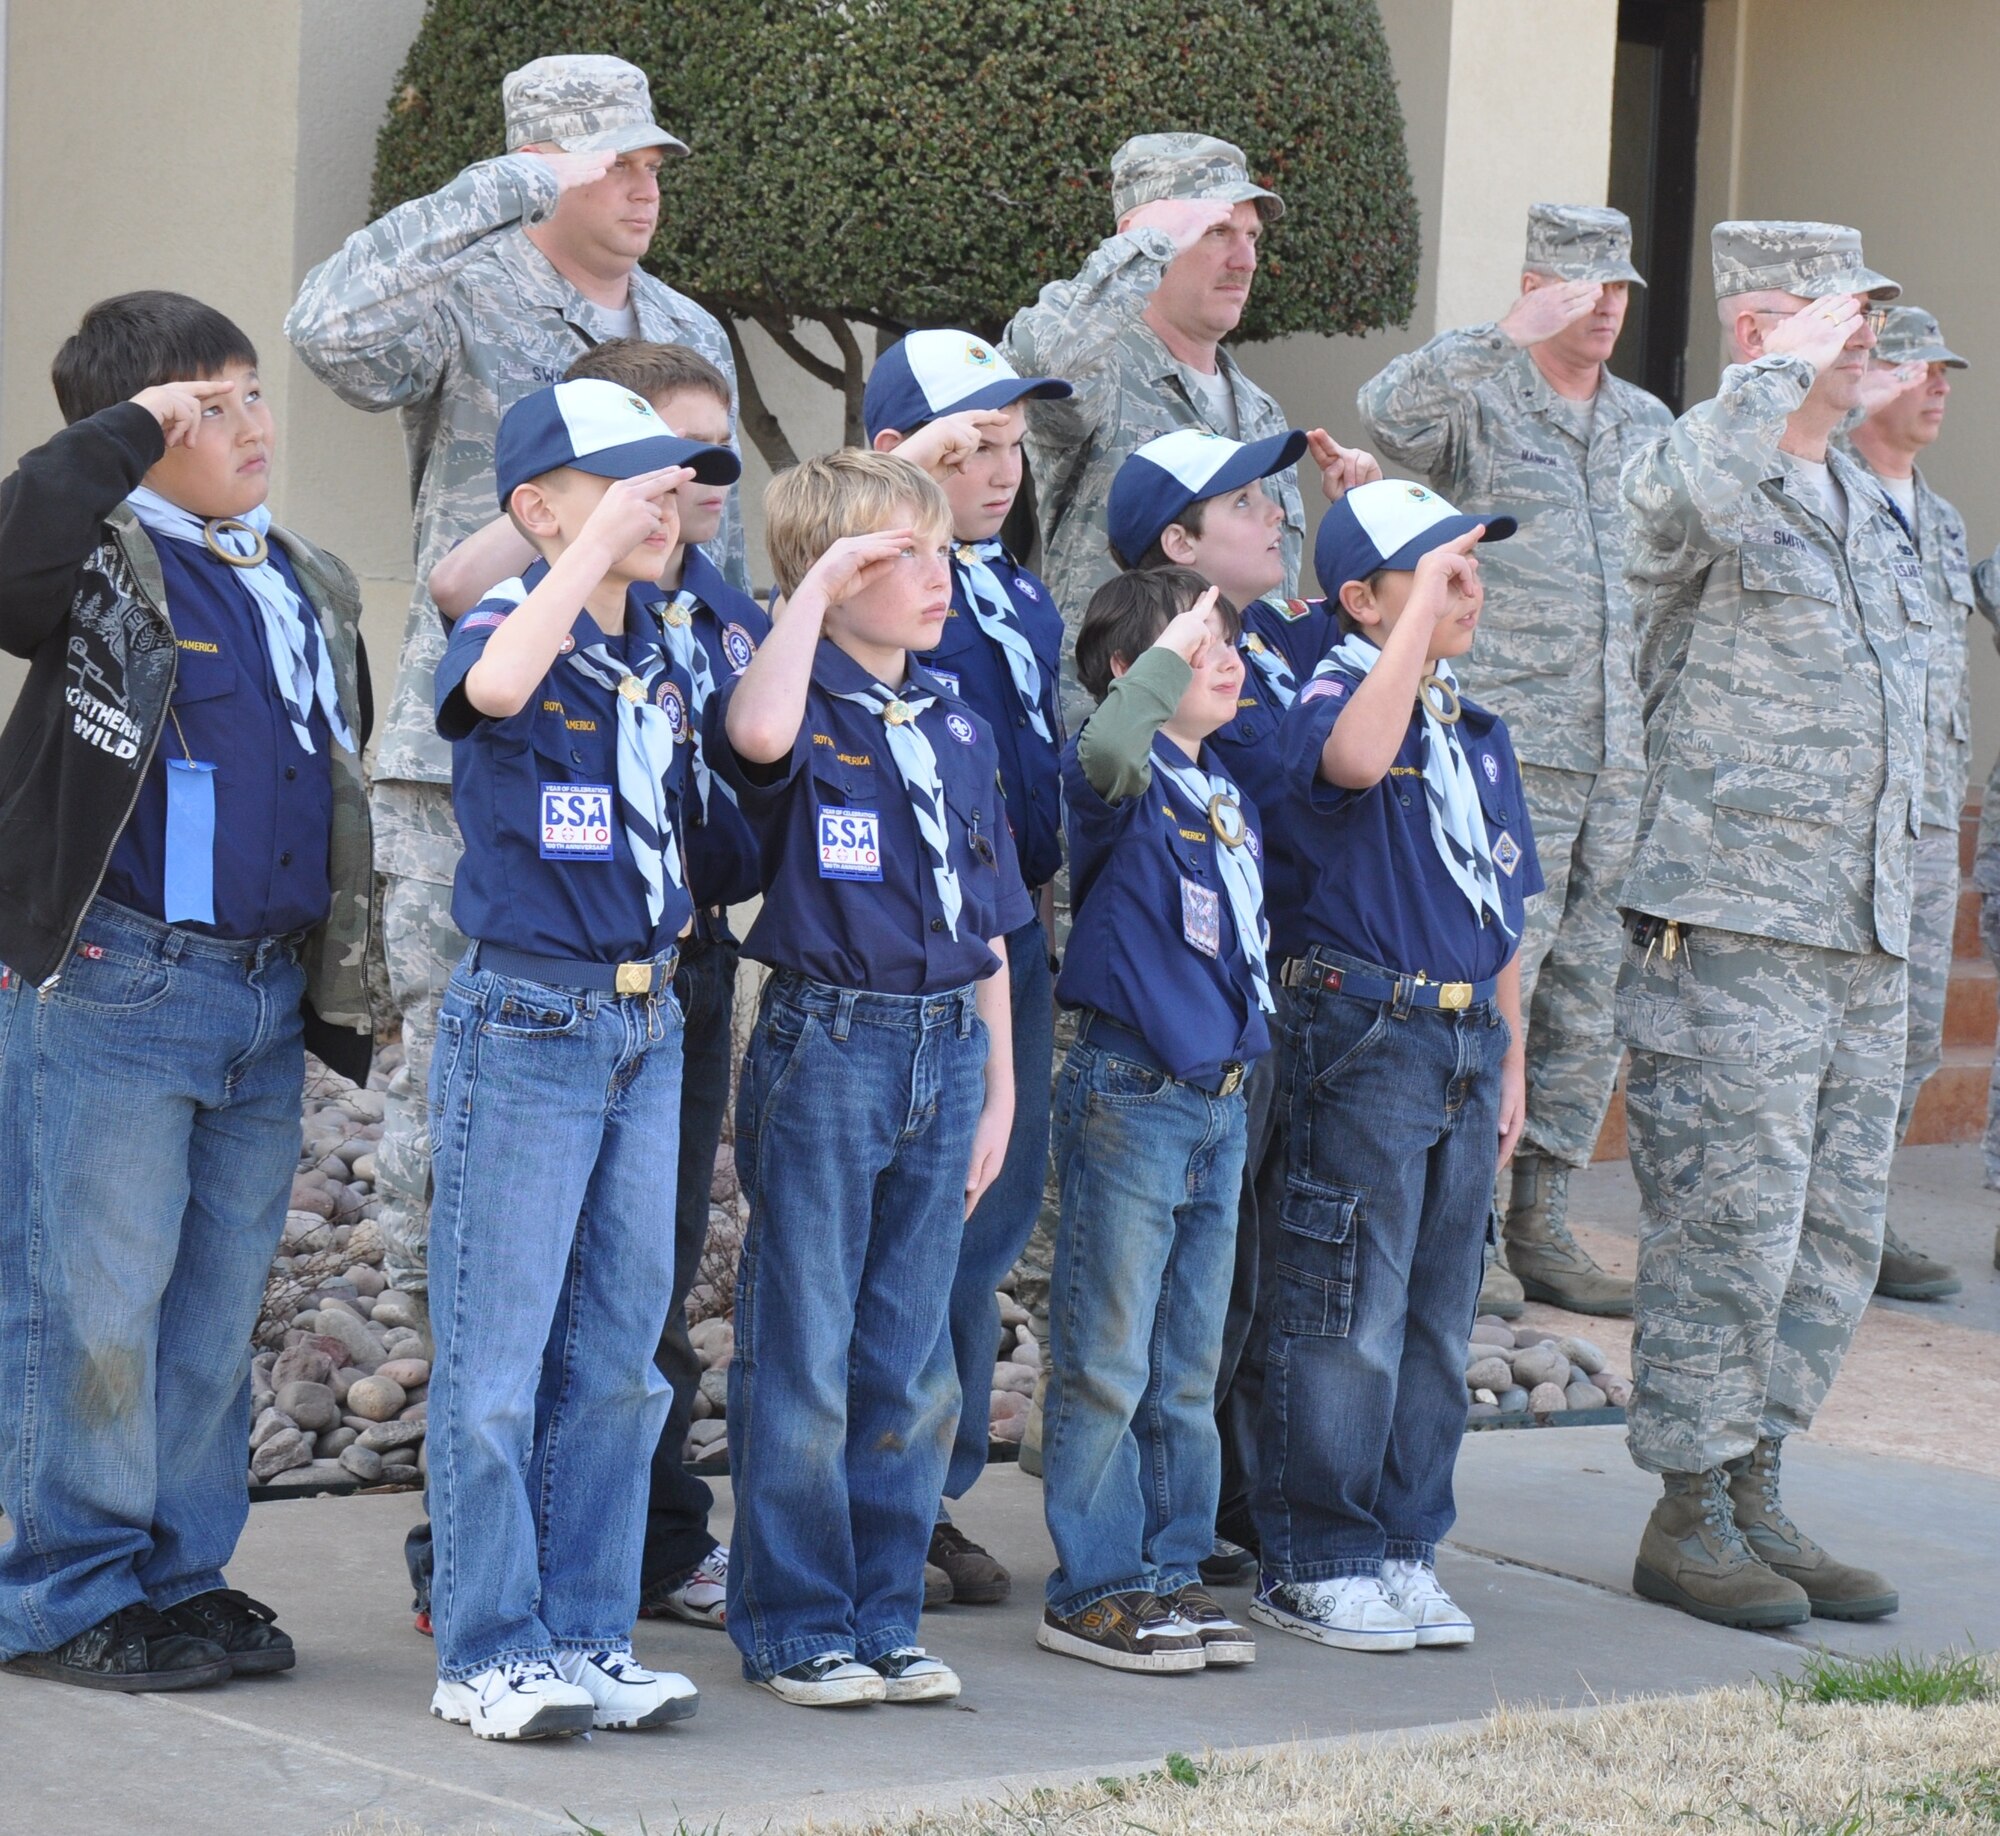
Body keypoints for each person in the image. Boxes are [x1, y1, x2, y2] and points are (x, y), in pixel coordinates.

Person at [285, 56, 746, 1416]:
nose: (643, 184)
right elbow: (327, 330)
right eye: (613, 161)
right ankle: (463, 1371)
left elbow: (696, 538)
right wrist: (495, 194)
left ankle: (589, 1420)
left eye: (654, 161)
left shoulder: (683, 328)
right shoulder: (471, 286)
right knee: (457, 1072)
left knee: (627, 1084)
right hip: (469, 745)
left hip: (629, 751)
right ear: (541, 164)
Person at [0, 292, 374, 1690]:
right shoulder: (98, 567)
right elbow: (6, 565)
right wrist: (121, 433)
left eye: (252, 395)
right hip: (116, 984)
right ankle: (62, 1591)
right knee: (87, 1302)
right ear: (138, 433)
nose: (253, 426)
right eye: (207, 408)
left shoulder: (301, 578)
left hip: (261, 995)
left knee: (216, 1313)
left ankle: (177, 1574)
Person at [427, 339, 761, 1630]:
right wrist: (585, 552)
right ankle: (491, 1643)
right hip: (530, 1017)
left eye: (670, 485)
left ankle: (587, 1633)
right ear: (537, 509)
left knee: (622, 1364)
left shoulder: (663, 659)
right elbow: (494, 683)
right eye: (620, 482)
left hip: (648, 1012)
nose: (657, 504)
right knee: (499, 1367)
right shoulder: (506, 624)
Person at [1617, 223, 1921, 1630]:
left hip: (1859, 933)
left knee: (1829, 1232)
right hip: (1732, 929)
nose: (1865, 337)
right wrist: (1770, 383)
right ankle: (1687, 1511)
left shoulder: (1864, 498)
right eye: (1830, 318)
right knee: (1728, 1229)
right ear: (1758, 336)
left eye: (1866, 315)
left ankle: (1756, 1483)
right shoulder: (1701, 467)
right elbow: (1676, 508)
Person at [710, 451, 1029, 1707]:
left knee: (909, 1351)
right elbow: (755, 736)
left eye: (939, 552)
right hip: (829, 1040)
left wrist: (1000, 1086)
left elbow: (992, 912)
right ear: (825, 575)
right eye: (900, 557)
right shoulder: (796, 693)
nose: (933, 578)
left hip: (946, 1041)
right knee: (803, 1342)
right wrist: (811, 593)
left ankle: (884, 1611)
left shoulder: (952, 715)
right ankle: (795, 1620)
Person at [1359, 204, 1673, 1319]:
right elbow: (1384, 413)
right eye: (1582, 287)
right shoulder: (1477, 396)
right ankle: (1472, 1223)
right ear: (1538, 284)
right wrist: (1501, 329)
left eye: (1619, 290)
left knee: (1592, 996)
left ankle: (1542, 1215)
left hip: (1620, 755)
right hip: (1508, 749)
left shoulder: (1645, 422)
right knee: (1502, 983)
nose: (1605, 308)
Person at [1251, 482, 1532, 1655]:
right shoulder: (1332, 694)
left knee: (1434, 1309)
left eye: (1465, 573)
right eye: (1429, 574)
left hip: (1466, 1034)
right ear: (1360, 601)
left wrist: (1510, 1053)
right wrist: (1404, 630)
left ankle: (1406, 1537)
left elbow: (1504, 903)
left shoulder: (1473, 729)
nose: (1459, 592)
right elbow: (1354, 764)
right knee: (1343, 1304)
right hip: (1365, 1033)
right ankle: (1316, 1551)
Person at [1104, 423, 1377, 1579]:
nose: (1278, 518)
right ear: (1179, 542)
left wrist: (1359, 505)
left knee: (1258, 1266)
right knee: (1163, 1299)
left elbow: (1375, 612)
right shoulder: (1168, 667)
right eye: (1245, 506)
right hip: (1197, 1015)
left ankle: (1224, 1494)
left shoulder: (1281, 638)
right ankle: (1152, 1521)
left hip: (1286, 997)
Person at [864, 330, 1072, 1606]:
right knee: (904, 1227)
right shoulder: (879, 585)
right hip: (905, 950)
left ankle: (927, 1489)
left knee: (983, 1222)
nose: (1001, 471)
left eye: (1011, 446)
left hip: (1011, 930)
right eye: (971, 447)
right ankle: (873, 1493)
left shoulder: (1020, 590)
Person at [1035, 567, 1272, 1674]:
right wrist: (1168, 646)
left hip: (1215, 1100)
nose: (1222, 656)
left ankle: (1170, 1570)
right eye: (1194, 643)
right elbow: (1103, 751)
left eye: (1226, 639)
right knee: (1108, 1357)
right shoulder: (1118, 782)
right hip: (1134, 1094)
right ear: (1133, 673)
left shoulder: (1216, 784)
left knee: (1185, 1362)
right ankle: (1096, 1582)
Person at [1001, 132, 1302, 690]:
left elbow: (1271, 599)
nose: (1245, 260)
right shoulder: (1100, 373)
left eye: (1252, 236)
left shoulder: (1261, 412)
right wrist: (1141, 248)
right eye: (1217, 232)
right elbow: (1034, 360)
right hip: (1122, 733)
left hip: (1242, 737)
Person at [1843, 306, 1979, 1303]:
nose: (1936, 386)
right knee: (1836, 1026)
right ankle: (1815, 1216)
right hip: (1844, 814)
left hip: (1927, 820)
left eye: (1945, 373)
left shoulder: (1940, 520)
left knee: (1912, 1033)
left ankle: (1860, 1211)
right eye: (1916, 368)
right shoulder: (1818, 497)